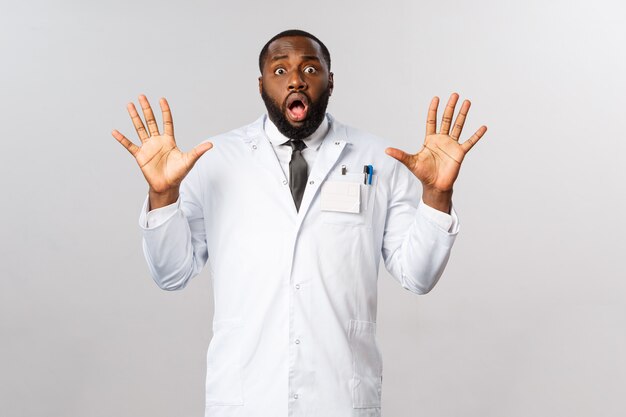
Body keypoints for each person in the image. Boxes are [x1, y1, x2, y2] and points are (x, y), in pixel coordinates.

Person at [112, 29, 487, 417]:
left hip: (340, 396)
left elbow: (418, 275)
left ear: (330, 81)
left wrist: (437, 195)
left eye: (310, 68)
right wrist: (162, 196)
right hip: (247, 396)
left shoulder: (381, 159)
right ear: (261, 86)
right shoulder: (213, 160)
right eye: (280, 70)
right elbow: (171, 273)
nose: (295, 79)